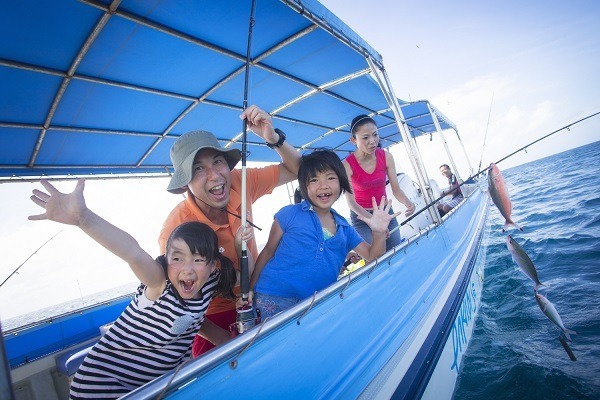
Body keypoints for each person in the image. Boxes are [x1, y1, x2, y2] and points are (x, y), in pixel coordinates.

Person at [28, 179, 238, 399]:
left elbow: (199, 320)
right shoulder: (160, 282)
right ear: (165, 260)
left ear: (213, 265)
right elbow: (132, 252)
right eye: (177, 258)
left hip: (150, 388)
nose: (187, 269)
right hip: (99, 388)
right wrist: (83, 218)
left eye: (197, 259)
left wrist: (232, 341)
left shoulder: (207, 285)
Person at [159, 105, 301, 357]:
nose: (214, 175)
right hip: (212, 319)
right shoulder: (175, 229)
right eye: (198, 168)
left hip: (260, 295)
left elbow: (298, 169)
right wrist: (226, 339)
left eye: (218, 161)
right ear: (185, 183)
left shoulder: (240, 180)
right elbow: (177, 304)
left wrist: (273, 139)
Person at [247, 149, 401, 318]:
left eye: (330, 177)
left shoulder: (345, 228)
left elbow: (373, 256)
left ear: (342, 182)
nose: (323, 185)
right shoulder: (288, 214)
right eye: (314, 180)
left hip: (316, 305)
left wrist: (378, 233)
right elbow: (268, 252)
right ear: (304, 187)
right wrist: (250, 289)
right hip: (272, 297)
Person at [343, 115, 415, 250]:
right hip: (362, 217)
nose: (372, 141)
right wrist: (373, 220)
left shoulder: (387, 157)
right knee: (375, 257)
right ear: (353, 140)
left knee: (395, 252)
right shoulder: (347, 165)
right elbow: (351, 203)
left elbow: (396, 190)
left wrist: (407, 202)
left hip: (385, 213)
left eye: (375, 135)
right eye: (365, 138)